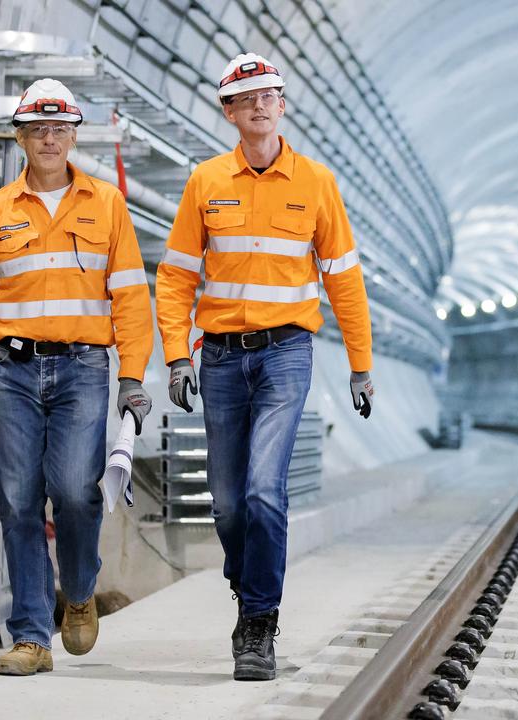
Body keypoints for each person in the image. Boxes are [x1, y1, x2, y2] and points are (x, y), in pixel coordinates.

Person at [156, 52, 376, 681]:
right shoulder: (205, 183)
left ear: (283, 105)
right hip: (222, 357)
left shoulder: (316, 184)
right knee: (226, 507)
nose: (259, 104)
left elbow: (344, 281)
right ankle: (248, 579)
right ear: (229, 112)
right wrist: (176, 355)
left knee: (261, 490)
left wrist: (360, 365)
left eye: (269, 94)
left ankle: (258, 623)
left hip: (287, 353)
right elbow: (174, 280)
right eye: (246, 97)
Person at [0, 78, 154, 676]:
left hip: (83, 368)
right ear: (22, 137)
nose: (49, 139)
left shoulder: (106, 205)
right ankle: (31, 636)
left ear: (73, 135)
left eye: (59, 129)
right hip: (10, 372)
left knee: (77, 492)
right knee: (18, 502)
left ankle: (78, 591)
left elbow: (132, 298)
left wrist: (133, 376)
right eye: (37, 130)